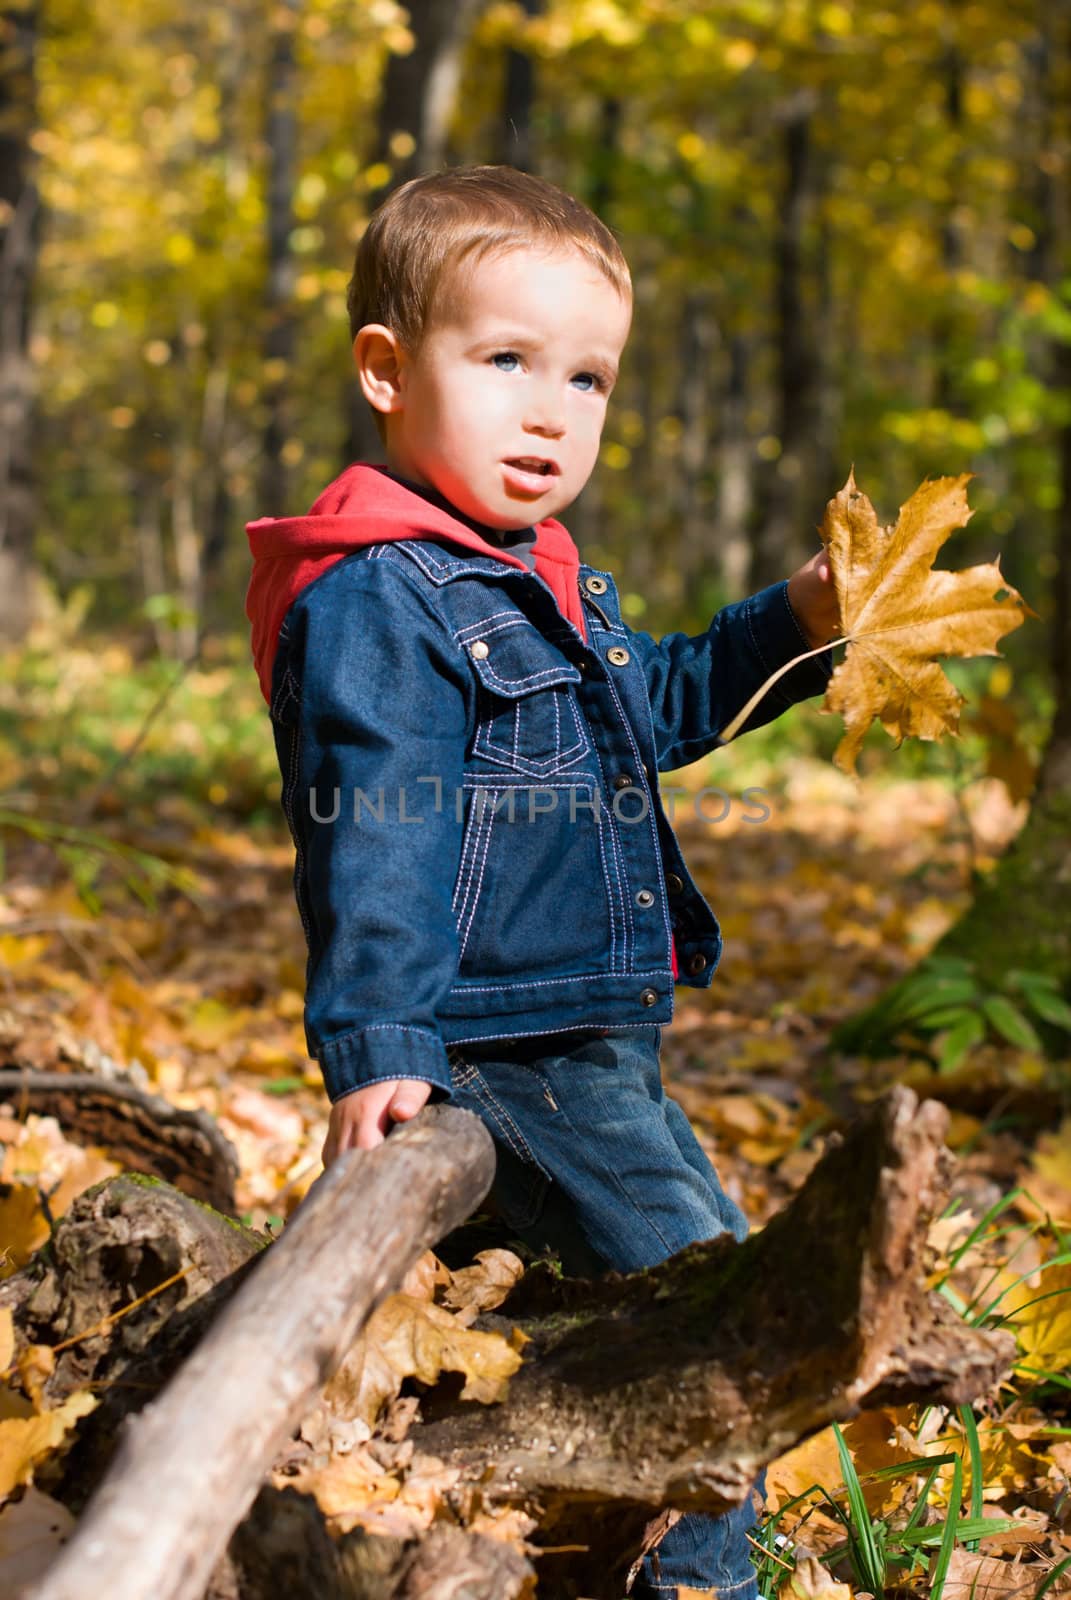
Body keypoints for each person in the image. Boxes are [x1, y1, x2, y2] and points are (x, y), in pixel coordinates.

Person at [246, 164, 840, 1600]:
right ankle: (700, 1583)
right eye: (505, 361)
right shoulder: (381, 591)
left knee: (620, 1298)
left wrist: (797, 625)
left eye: (587, 378)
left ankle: (543, 1529)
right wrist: (381, 1043)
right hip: (507, 1046)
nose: (550, 410)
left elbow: (674, 707)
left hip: (594, 1045)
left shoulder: (545, 574)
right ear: (387, 371)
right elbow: (375, 819)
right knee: (717, 1312)